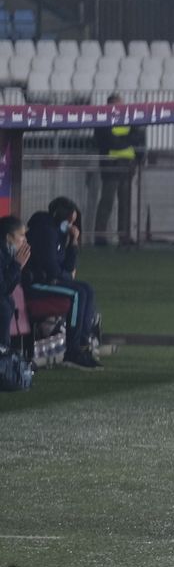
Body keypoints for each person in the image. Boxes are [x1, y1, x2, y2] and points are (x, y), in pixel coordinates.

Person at [23, 197, 101, 369]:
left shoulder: (60, 234)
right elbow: (53, 270)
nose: (72, 226)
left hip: (50, 281)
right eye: (69, 221)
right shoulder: (45, 231)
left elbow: (67, 267)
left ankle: (82, 344)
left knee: (87, 289)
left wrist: (73, 243)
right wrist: (66, 276)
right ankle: (72, 351)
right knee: (77, 293)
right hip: (35, 283)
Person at [92, 93, 144, 247]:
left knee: (125, 203)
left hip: (127, 165)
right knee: (107, 201)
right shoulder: (103, 120)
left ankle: (124, 236)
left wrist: (124, 142)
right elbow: (110, 141)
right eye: (118, 106)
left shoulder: (128, 119)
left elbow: (137, 137)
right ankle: (100, 237)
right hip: (111, 165)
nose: (121, 109)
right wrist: (127, 141)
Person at [1, 216, 29, 350]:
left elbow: (8, 288)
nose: (25, 240)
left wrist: (18, 267)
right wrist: (16, 266)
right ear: (8, 237)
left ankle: (6, 352)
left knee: (8, 303)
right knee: (4, 306)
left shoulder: (9, 255)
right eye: (22, 235)